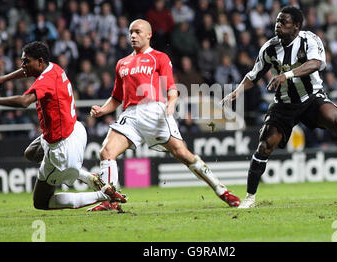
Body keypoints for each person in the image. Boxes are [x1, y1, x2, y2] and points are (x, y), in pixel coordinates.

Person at [221, 6, 337, 209]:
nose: (278, 25)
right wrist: (236, 92)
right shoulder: (269, 48)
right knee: (265, 145)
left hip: (311, 97)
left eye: (283, 22)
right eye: (277, 21)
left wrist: (286, 75)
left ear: (296, 26)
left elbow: (316, 63)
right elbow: (254, 75)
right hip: (284, 104)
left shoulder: (309, 40)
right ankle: (249, 198)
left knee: (336, 119)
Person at [88, 19, 240, 211]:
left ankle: (221, 190)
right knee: (106, 152)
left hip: (154, 111)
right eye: (131, 32)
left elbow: (171, 88)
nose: (133, 36)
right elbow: (117, 97)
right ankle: (111, 202)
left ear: (149, 35)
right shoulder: (122, 64)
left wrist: (171, 104)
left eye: (138, 32)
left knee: (183, 154)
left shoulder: (159, 57)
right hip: (130, 115)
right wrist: (102, 109)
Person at [0, 41, 126, 211]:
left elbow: (24, 101)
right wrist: (1, 79)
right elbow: (26, 71)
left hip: (61, 148)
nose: (23, 66)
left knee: (41, 202)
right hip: (76, 130)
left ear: (40, 61)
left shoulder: (45, 80)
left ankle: (103, 195)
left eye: (26, 61)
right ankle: (91, 178)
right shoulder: (54, 68)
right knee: (31, 153)